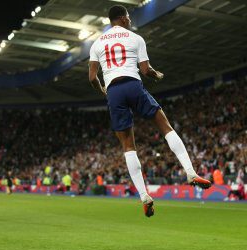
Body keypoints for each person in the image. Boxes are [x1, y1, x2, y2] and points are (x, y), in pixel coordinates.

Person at [89, 5, 211, 217]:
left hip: (114, 91)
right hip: (133, 85)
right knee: (165, 125)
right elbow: (146, 71)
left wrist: (103, 91)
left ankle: (144, 195)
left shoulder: (97, 43)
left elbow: (92, 77)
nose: (129, 20)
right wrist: (158, 76)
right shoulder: (136, 38)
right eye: (128, 17)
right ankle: (191, 172)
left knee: (128, 145)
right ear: (123, 19)